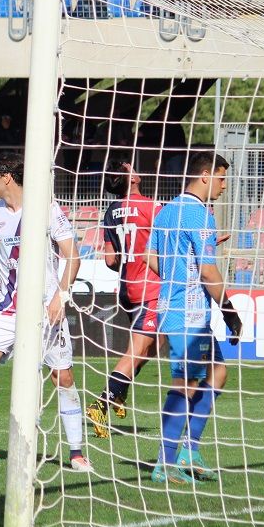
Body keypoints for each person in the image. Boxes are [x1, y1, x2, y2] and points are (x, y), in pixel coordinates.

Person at [0, 152, 91, 473]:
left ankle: (76, 452)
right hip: (7, 308)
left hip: (45, 309)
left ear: (7, 177)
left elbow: (73, 256)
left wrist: (60, 295)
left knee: (62, 377)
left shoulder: (47, 208)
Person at [145, 152, 242, 485]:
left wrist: (175, 274)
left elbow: (150, 257)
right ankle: (165, 462)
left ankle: (189, 450)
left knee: (217, 372)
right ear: (205, 175)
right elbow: (208, 271)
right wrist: (230, 312)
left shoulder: (166, 211)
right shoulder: (200, 214)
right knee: (185, 384)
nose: (224, 186)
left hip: (173, 308)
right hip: (188, 312)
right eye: (221, 178)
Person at [85, 153, 161, 439]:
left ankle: (119, 391)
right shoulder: (152, 207)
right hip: (150, 289)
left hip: (127, 288)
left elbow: (110, 260)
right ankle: (102, 403)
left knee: (153, 346)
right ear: (131, 178)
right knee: (137, 351)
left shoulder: (111, 211)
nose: (135, 168)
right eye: (131, 167)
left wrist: (130, 256)